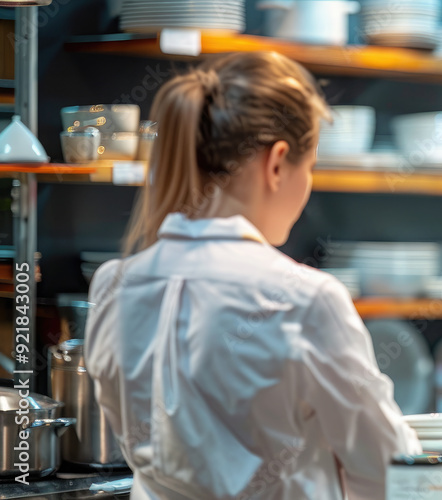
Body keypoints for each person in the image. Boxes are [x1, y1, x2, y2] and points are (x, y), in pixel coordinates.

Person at [85, 51, 420, 500]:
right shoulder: (307, 299)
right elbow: (389, 469)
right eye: (311, 166)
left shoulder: (112, 284)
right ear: (278, 162)